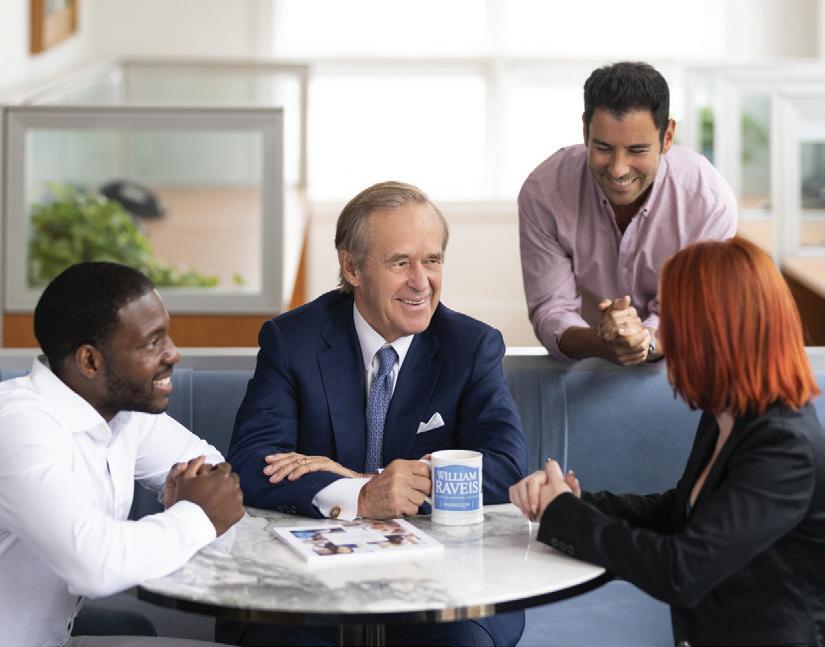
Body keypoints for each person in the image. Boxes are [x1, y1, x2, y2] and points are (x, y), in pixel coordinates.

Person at [226, 181, 528, 646]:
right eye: (400, 262)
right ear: (352, 268)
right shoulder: (293, 340)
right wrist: (361, 496)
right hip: (307, 579)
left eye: (432, 260)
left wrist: (367, 481)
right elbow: (250, 463)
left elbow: (505, 468)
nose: (421, 281)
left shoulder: (471, 347)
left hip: (443, 578)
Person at [510, 236, 825, 646]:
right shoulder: (728, 413)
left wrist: (565, 514)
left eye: (673, 320)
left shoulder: (784, 447)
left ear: (712, 331)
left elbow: (682, 571)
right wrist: (575, 500)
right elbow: (680, 512)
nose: (660, 335)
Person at [0, 262, 245, 647]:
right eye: (152, 342)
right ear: (90, 361)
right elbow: (93, 564)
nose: (174, 354)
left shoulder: (123, 413)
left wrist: (197, 502)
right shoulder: (18, 425)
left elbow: (215, 475)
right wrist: (196, 515)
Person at [519, 61, 737, 365]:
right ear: (585, 130)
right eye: (604, 148)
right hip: (589, 360)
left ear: (667, 136)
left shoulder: (708, 202)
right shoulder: (544, 192)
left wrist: (643, 341)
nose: (618, 169)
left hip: (682, 364)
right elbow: (551, 310)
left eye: (637, 150)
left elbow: (693, 316)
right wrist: (601, 342)